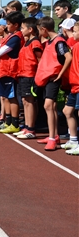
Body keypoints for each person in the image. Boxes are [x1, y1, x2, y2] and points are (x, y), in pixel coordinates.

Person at [34, 16, 72, 150]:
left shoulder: (59, 42)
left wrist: (60, 74)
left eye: (39, 30)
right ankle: (54, 135)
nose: (39, 34)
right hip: (47, 77)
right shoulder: (50, 41)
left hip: (54, 77)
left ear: (44, 29)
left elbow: (68, 57)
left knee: (48, 105)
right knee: (52, 106)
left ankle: (52, 139)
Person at [14, 17, 44, 139]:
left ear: (30, 29)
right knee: (25, 101)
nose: (21, 30)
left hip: (30, 75)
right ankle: (26, 127)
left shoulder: (35, 43)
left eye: (22, 28)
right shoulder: (27, 42)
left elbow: (40, 60)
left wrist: (38, 77)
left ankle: (31, 128)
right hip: (22, 74)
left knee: (29, 101)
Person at [61, 21, 79, 155]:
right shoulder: (75, 45)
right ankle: (73, 140)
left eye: (76, 32)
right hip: (74, 84)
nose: (73, 34)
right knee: (67, 111)